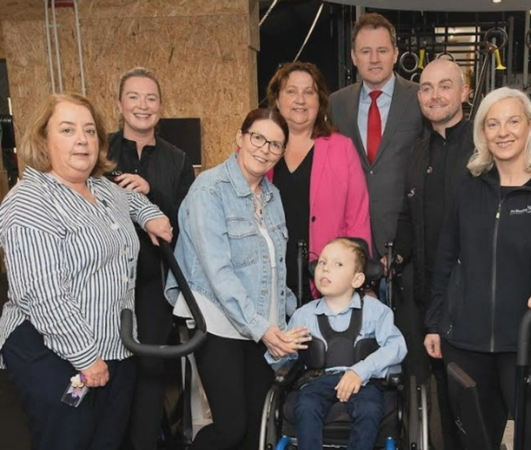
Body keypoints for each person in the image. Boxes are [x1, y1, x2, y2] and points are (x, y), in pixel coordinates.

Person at [0, 92, 172, 450]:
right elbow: (42, 294)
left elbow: (133, 199)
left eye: (90, 131)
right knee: (69, 438)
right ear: (44, 139)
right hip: (53, 348)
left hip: (114, 341)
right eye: (67, 129)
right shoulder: (29, 201)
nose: (82, 139)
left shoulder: (101, 187)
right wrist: (86, 358)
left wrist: (151, 215)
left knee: (107, 439)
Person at [424, 87, 531, 450]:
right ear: (483, 134)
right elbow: (445, 260)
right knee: (472, 443)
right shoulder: (468, 192)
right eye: (493, 123)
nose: (503, 131)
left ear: (530, 128)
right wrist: (434, 323)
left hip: (524, 341)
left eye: (512, 121)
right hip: (465, 343)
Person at [164, 108, 300, 450]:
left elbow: (275, 267)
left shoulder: (273, 196)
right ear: (240, 138)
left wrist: (288, 318)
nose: (264, 149)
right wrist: (261, 327)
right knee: (230, 427)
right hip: (219, 323)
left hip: (261, 324)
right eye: (258, 138)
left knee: (257, 423)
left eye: (275, 144)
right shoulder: (208, 190)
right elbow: (217, 272)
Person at [107, 66, 196, 450]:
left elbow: (186, 220)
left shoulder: (177, 160)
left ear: (161, 106)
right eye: (134, 97)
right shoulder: (101, 151)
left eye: (151, 98)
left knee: (150, 367)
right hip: (107, 281)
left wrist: (150, 191)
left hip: (156, 281)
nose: (143, 106)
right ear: (119, 104)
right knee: (110, 363)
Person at [392, 58, 474, 450]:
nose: (435, 94)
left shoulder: (485, 148)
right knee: (443, 396)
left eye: (445, 86)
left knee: (473, 402)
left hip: (473, 303)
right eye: (426, 87)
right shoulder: (416, 153)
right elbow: (408, 219)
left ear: (465, 92)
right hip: (430, 300)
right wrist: (392, 258)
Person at [266, 237, 407, 450]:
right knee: (305, 406)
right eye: (322, 262)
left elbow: (396, 347)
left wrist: (361, 371)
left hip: (364, 381)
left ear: (357, 280)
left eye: (338, 264)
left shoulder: (376, 311)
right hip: (317, 381)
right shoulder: (303, 315)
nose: (326, 269)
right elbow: (286, 363)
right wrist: (280, 350)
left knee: (369, 408)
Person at [266, 61, 371, 303]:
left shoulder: (342, 148)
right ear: (277, 101)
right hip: (267, 285)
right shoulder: (261, 149)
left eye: (309, 92)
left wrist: (358, 278)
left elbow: (358, 220)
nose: (300, 100)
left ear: (320, 101)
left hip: (326, 284)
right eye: (291, 91)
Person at [330, 12, 424, 258]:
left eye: (382, 50)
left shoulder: (419, 99)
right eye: (365, 51)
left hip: (405, 239)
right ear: (353, 56)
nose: (374, 59)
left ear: (395, 53)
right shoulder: (335, 104)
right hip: (350, 239)